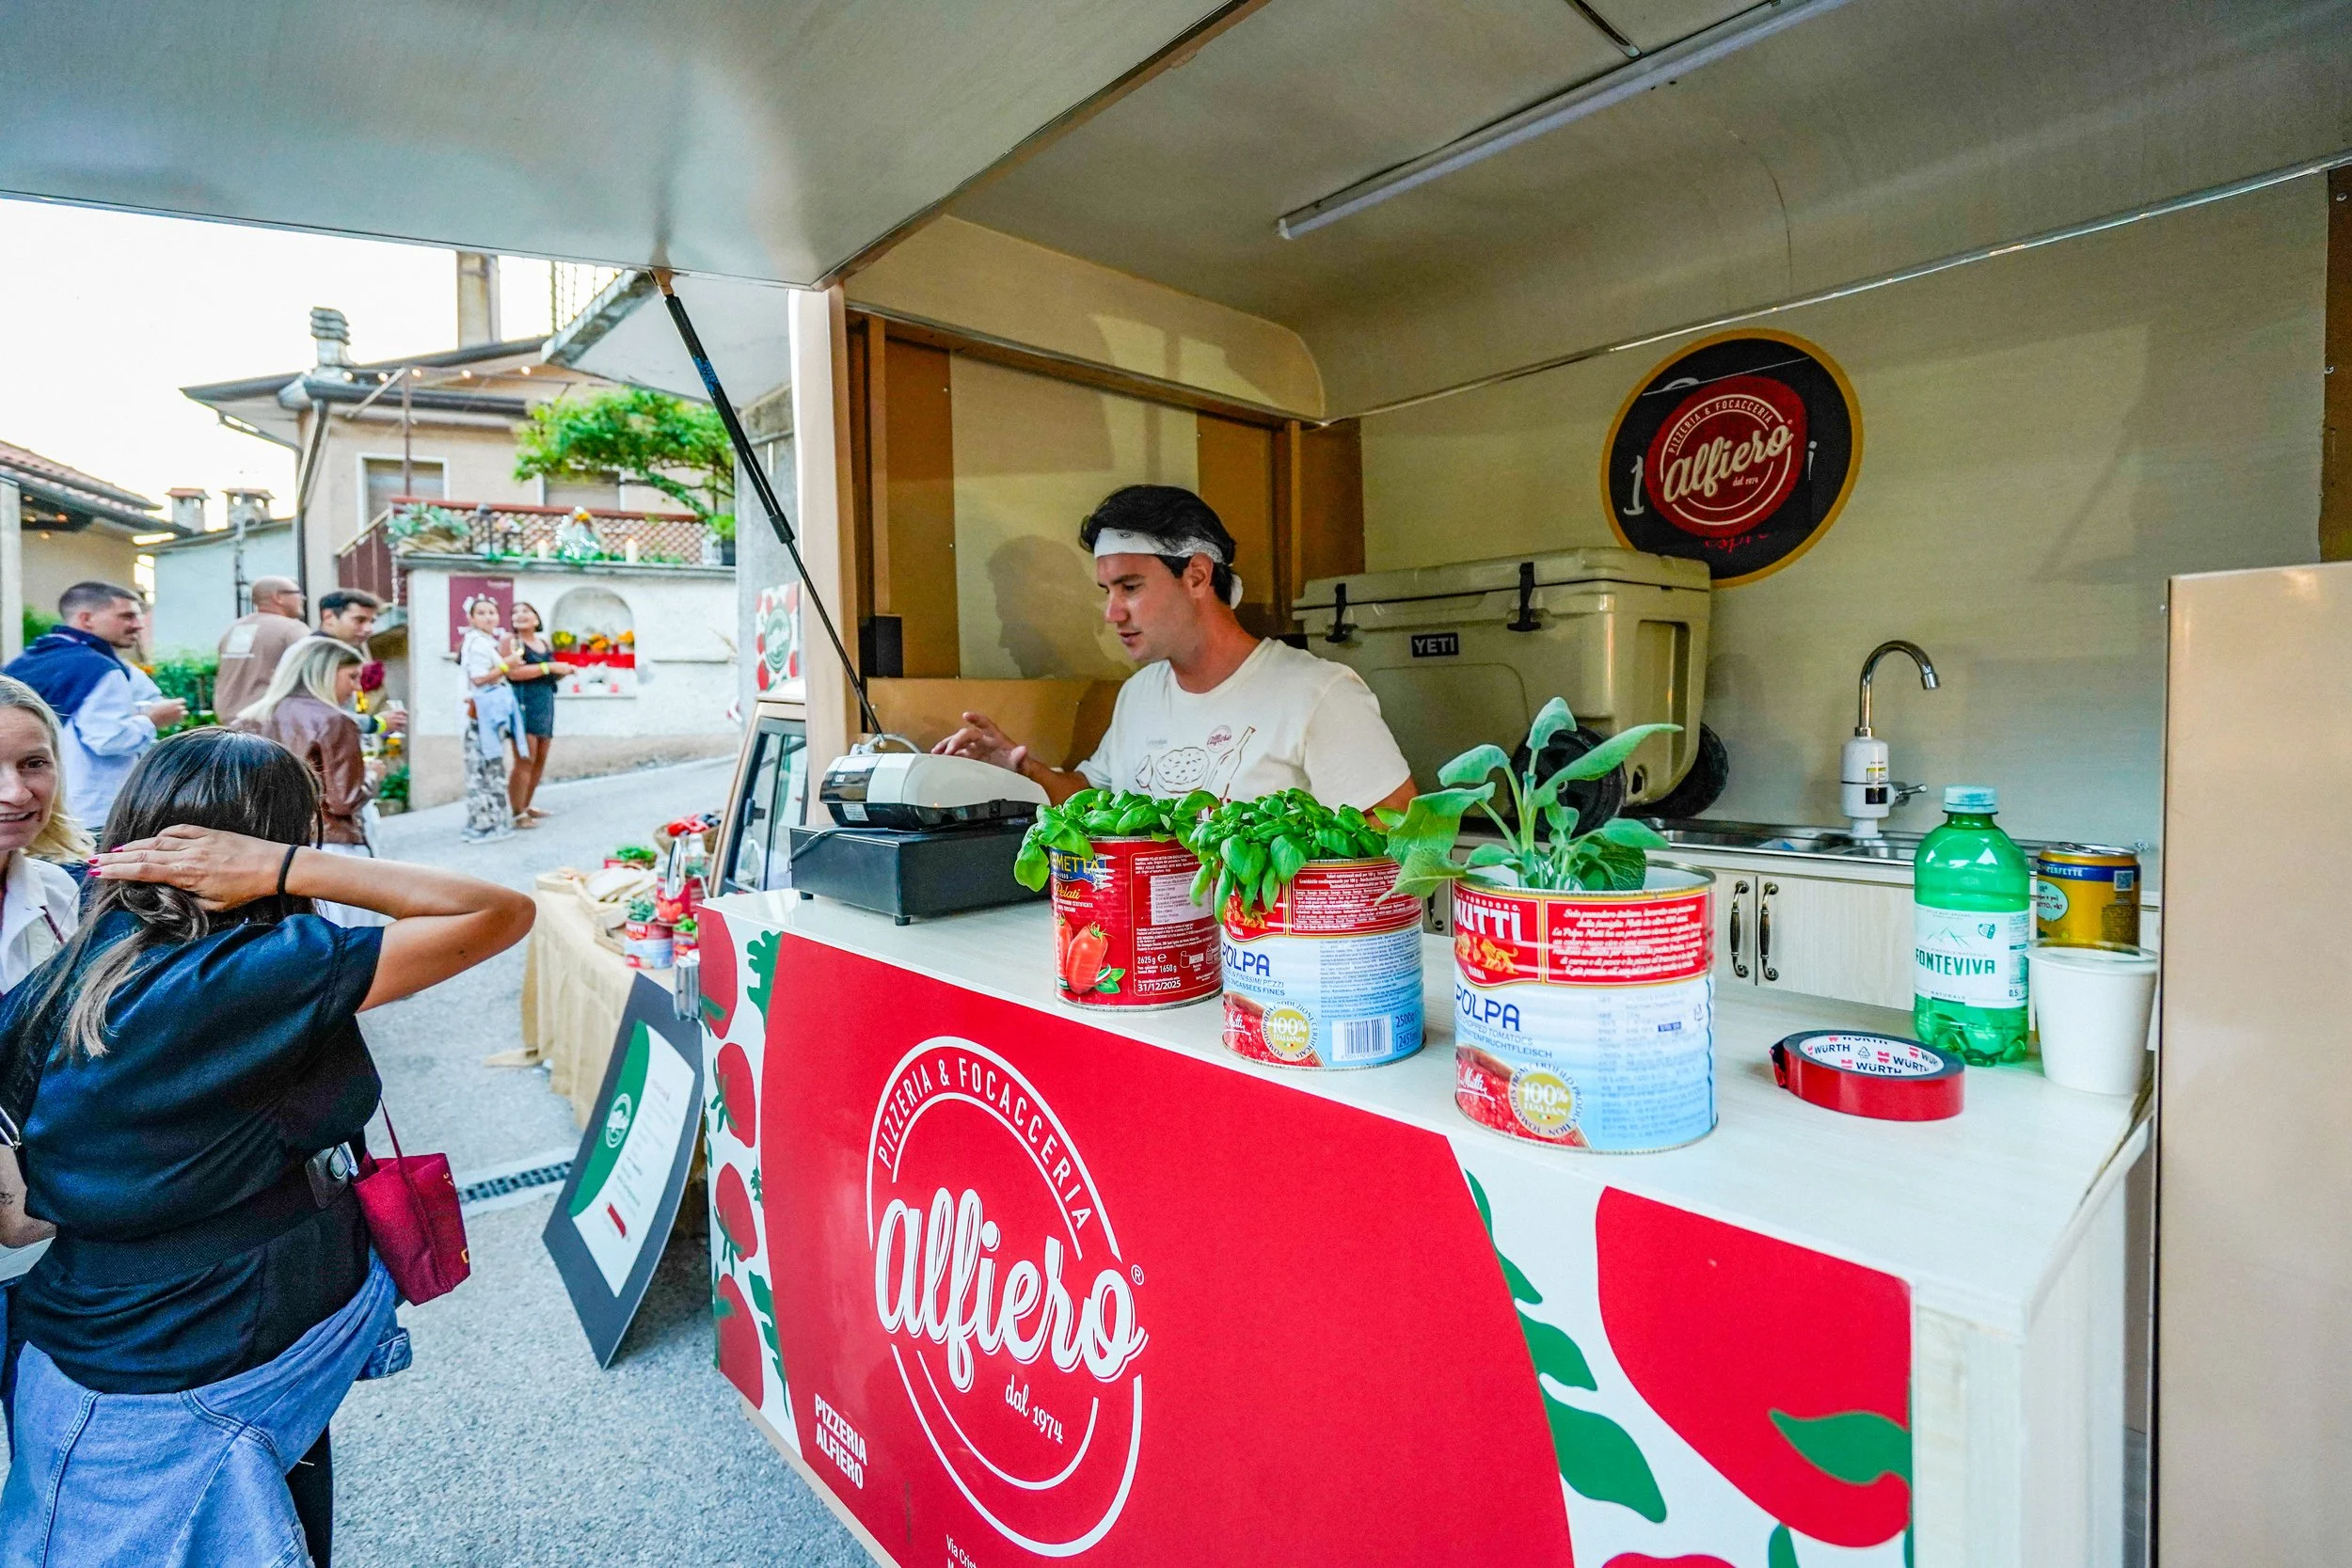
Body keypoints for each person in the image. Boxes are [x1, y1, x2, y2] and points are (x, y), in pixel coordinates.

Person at [0, 728, 535, 1565]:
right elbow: (499, 911)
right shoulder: (253, 968)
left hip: (152, 1340)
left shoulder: (75, 970)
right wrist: (290, 869)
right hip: (176, 1369)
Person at [934, 485, 1416, 812]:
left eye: (1130, 587)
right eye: (1107, 591)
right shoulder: (1139, 695)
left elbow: (1397, 840)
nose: (1111, 613)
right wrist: (1021, 770)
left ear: (1198, 576)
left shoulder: (1318, 694)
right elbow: (1092, 799)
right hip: (1163, 955)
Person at [4, 581, 185, 828]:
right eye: (127, 616)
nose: (138, 624)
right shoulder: (100, 669)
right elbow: (108, 740)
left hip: (37, 804)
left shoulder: (27, 661)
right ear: (87, 619)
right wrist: (152, 719)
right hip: (93, 808)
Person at [233, 637, 384, 927]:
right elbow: (343, 800)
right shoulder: (335, 720)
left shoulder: (247, 720)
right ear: (324, 672)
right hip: (329, 846)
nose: (356, 687)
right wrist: (373, 776)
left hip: (262, 846)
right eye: (352, 676)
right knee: (347, 947)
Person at [501, 602, 574, 826]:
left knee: (540, 759)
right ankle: (517, 813)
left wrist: (563, 671)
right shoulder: (510, 642)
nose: (520, 615)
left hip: (544, 702)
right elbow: (512, 674)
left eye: (525, 611)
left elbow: (548, 673)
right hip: (522, 704)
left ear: (536, 618)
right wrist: (549, 668)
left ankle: (526, 804)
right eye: (515, 612)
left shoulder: (543, 643)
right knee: (525, 759)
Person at [458, 594, 522, 843]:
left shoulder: (484, 641)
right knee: (483, 771)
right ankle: (484, 825)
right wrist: (507, 665)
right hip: (480, 716)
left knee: (491, 768)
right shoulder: (476, 643)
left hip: (487, 715)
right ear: (471, 618)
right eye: (481, 613)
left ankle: (493, 822)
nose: (488, 617)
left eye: (492, 613)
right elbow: (479, 679)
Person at [212, 576, 310, 721]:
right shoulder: (292, 629)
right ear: (278, 597)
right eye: (296, 593)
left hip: (230, 720)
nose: (302, 598)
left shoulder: (233, 630)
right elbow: (315, 672)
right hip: (270, 721)